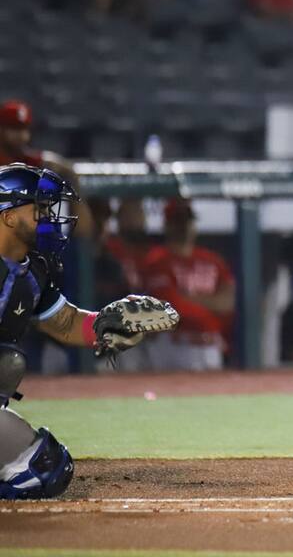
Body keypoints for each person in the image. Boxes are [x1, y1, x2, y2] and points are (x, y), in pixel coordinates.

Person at [0, 163, 178, 500]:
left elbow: (64, 321)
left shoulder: (32, 270)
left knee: (50, 468)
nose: (47, 217)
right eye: (37, 208)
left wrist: (104, 325)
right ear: (8, 216)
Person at [139, 199, 236, 371]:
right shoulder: (157, 259)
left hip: (209, 344)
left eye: (188, 220)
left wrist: (188, 297)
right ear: (167, 224)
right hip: (174, 344)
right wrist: (209, 303)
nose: (184, 226)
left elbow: (228, 302)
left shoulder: (213, 260)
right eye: (178, 221)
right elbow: (170, 306)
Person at [0, 101, 93, 240]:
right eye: (14, 129)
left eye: (24, 129)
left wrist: (79, 207)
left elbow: (66, 168)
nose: (21, 136)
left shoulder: (29, 159)